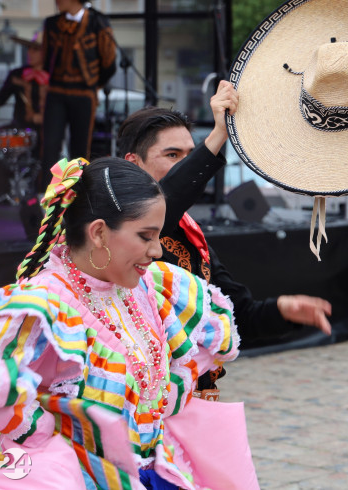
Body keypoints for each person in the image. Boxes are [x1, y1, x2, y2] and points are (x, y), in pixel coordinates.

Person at [0, 157, 259, 488]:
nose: (157, 250)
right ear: (98, 232)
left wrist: (165, 398)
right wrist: (42, 436)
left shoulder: (152, 287)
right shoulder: (46, 303)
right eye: (145, 236)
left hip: (155, 471)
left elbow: (207, 346)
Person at [117, 91, 332, 396]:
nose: (185, 165)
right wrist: (219, 135)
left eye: (191, 155)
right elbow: (167, 197)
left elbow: (237, 317)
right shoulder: (121, 227)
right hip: (142, 404)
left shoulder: (191, 233)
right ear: (134, 164)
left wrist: (282, 310)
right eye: (172, 155)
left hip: (197, 403)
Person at [36, 0, 117, 188]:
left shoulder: (98, 22)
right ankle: (47, 195)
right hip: (57, 93)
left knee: (80, 148)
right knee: (50, 145)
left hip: (84, 94)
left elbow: (110, 61)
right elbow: (45, 59)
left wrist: (94, 85)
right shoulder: (51, 24)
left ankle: (78, 195)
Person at [0, 31, 47, 200]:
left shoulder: (55, 77)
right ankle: (3, 190)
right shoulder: (17, 74)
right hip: (19, 128)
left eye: (35, 50)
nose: (30, 53)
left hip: (47, 132)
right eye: (29, 49)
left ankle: (40, 195)